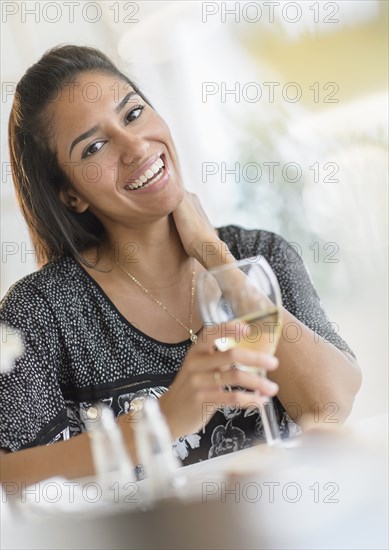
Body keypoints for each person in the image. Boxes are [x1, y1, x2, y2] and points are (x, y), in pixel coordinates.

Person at [0, 45, 361, 486]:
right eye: (95, 147)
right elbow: (8, 477)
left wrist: (215, 257)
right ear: (70, 194)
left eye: (133, 114)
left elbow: (328, 404)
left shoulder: (260, 253)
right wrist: (164, 420)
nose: (134, 146)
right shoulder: (40, 313)